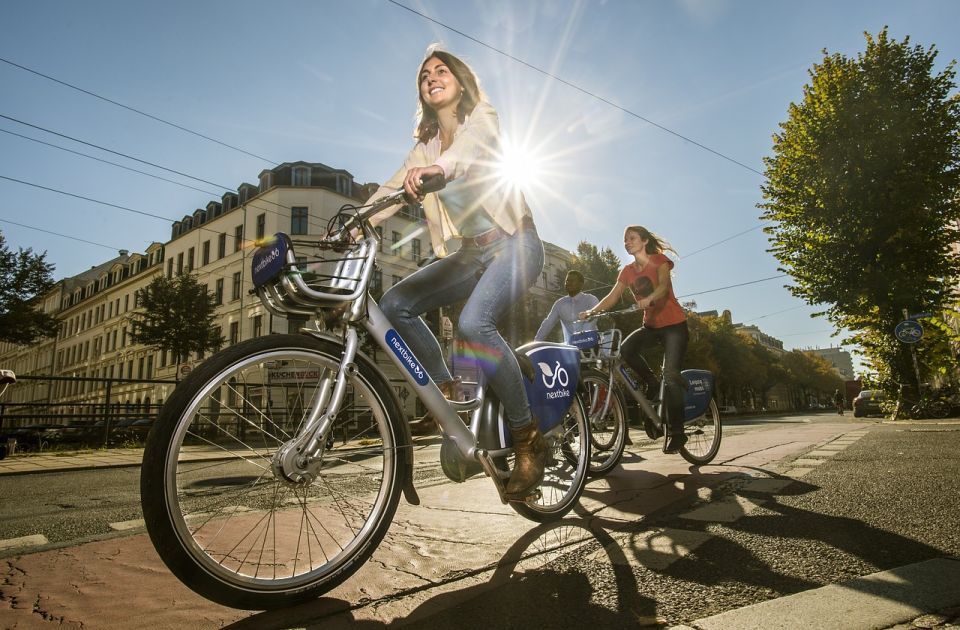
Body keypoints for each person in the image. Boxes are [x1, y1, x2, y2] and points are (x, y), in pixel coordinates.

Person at [363, 45, 546, 501]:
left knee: (472, 325)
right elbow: (389, 190)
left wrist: (437, 170)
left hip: (515, 243)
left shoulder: (481, 118)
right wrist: (356, 221)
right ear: (422, 94)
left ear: (460, 83)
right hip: (470, 253)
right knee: (394, 306)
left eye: (441, 70)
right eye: (424, 75)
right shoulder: (423, 147)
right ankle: (447, 390)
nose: (431, 77)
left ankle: (528, 439)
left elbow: (468, 152)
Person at [579, 225, 689, 454]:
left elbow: (662, 288)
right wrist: (593, 312)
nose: (627, 242)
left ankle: (678, 432)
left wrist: (648, 299)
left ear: (645, 241)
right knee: (625, 352)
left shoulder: (659, 261)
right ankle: (652, 382)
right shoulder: (627, 271)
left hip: (674, 326)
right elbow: (612, 296)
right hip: (650, 326)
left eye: (632, 238)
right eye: (625, 239)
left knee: (670, 374)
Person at [534, 270, 600, 342]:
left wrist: (581, 341)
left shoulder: (591, 299)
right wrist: (536, 343)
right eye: (567, 281)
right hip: (570, 349)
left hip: (591, 346)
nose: (568, 283)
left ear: (581, 284)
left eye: (572, 281)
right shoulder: (559, 304)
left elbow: (590, 324)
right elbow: (548, 323)